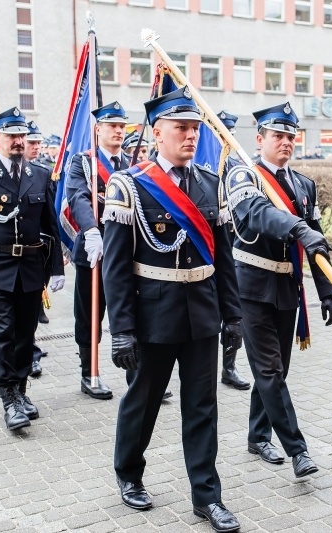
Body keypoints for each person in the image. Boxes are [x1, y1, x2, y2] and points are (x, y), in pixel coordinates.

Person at [103, 86, 243, 532]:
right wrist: (121, 329)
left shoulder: (210, 183)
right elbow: (117, 267)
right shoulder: (130, 185)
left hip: (201, 313)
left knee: (202, 406)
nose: (190, 136)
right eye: (181, 128)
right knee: (142, 401)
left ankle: (207, 496)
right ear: (158, 132)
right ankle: (129, 474)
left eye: (195, 128)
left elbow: (224, 258)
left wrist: (233, 314)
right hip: (153, 314)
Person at [225, 102, 332, 477]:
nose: (286, 142)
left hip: (288, 288)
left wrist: (327, 291)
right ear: (260, 139)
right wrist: (297, 228)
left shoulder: (303, 184)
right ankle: (298, 449)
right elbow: (256, 214)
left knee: (276, 371)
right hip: (253, 287)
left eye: (291, 136)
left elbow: (316, 241)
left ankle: (258, 436)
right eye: (278, 136)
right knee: (270, 370)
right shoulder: (244, 175)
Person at [0, 107, 65, 431]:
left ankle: (20, 390)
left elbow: (51, 225)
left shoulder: (41, 174)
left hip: (31, 267)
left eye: (21, 135)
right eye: (11, 135)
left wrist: (57, 267)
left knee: (24, 334)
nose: (18, 141)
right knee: (2, 335)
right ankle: (8, 398)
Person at [66, 101, 132, 401]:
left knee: (134, 311)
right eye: (112, 126)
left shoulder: (130, 164)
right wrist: (90, 229)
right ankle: (89, 372)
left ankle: (137, 372)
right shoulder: (84, 162)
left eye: (121, 126)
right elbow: (78, 196)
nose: (118, 131)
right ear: (98, 130)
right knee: (90, 314)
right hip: (95, 249)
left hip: (127, 253)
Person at [215, 109, 250, 391]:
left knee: (232, 307)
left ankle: (229, 366)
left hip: (232, 244)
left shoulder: (238, 165)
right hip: (206, 244)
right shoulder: (206, 160)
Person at [24, 121, 56, 375]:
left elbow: (51, 217)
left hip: (39, 252)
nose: (37, 147)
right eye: (31, 142)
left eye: (38, 142)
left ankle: (30, 349)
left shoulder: (43, 173)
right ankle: (27, 351)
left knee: (33, 305)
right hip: (12, 254)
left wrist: (58, 253)